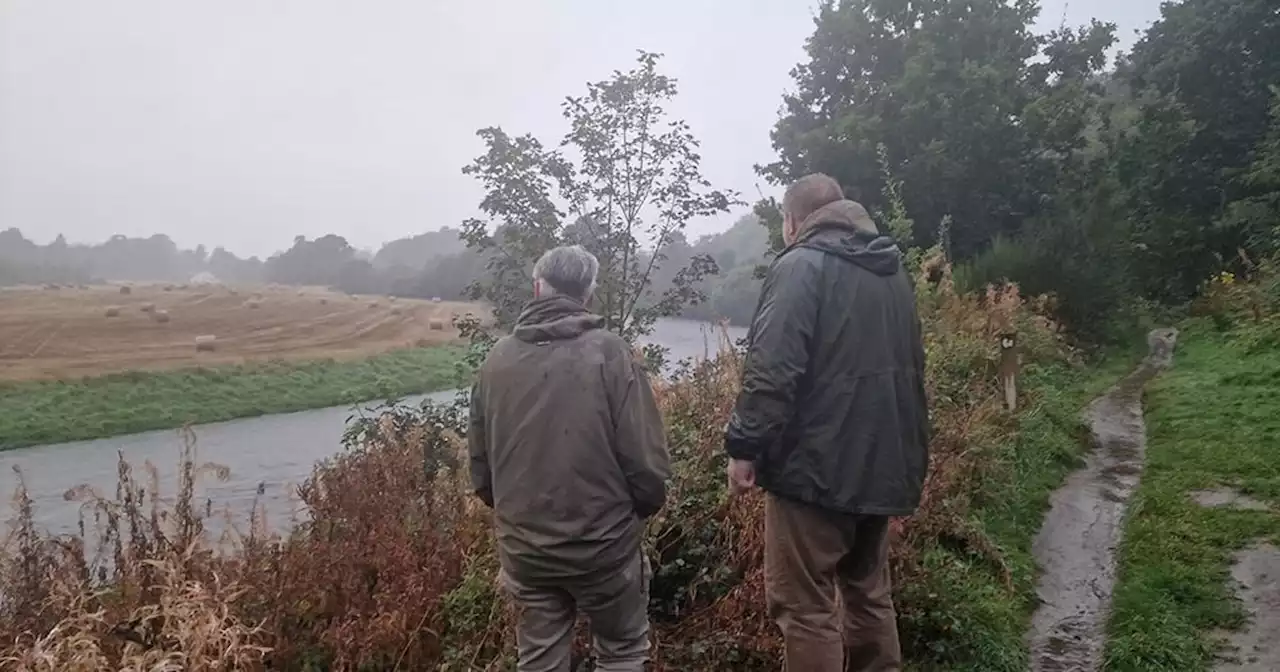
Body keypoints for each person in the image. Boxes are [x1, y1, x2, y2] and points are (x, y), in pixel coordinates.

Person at [723, 174, 929, 671]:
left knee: (805, 606)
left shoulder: (800, 266)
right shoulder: (890, 270)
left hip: (814, 470)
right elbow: (912, 367)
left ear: (792, 222)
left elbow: (773, 368)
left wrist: (744, 446)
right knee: (868, 593)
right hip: (884, 461)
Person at [468, 244, 671, 672]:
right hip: (605, 546)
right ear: (589, 294)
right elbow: (646, 463)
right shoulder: (611, 354)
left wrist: (518, 519)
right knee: (622, 651)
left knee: (539, 657)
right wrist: (637, 513)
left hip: (526, 550)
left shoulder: (496, 360)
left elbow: (481, 473)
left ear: (538, 287)